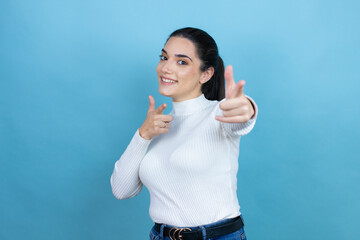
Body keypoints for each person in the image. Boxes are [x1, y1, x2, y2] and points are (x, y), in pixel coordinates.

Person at [110, 27, 257, 240]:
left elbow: (241, 120)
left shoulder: (218, 113)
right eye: (164, 57)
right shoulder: (157, 126)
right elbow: (121, 190)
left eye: (182, 62)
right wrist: (142, 135)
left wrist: (247, 108)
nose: (166, 68)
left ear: (205, 74)